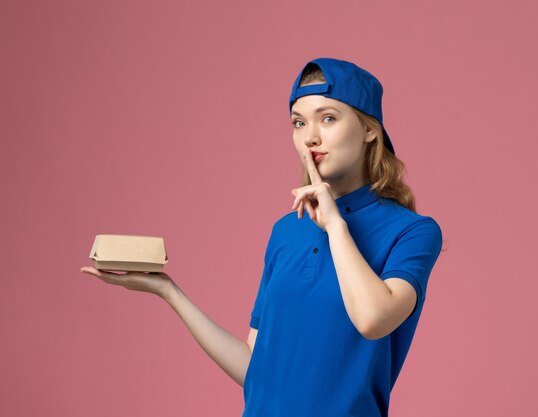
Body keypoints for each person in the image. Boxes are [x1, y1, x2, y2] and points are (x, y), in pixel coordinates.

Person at [80, 57, 444, 417]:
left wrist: (335, 226)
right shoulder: (286, 231)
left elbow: (372, 319)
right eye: (298, 123)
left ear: (369, 129)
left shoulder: (413, 232)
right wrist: (169, 291)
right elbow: (256, 368)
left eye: (328, 118)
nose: (310, 137)